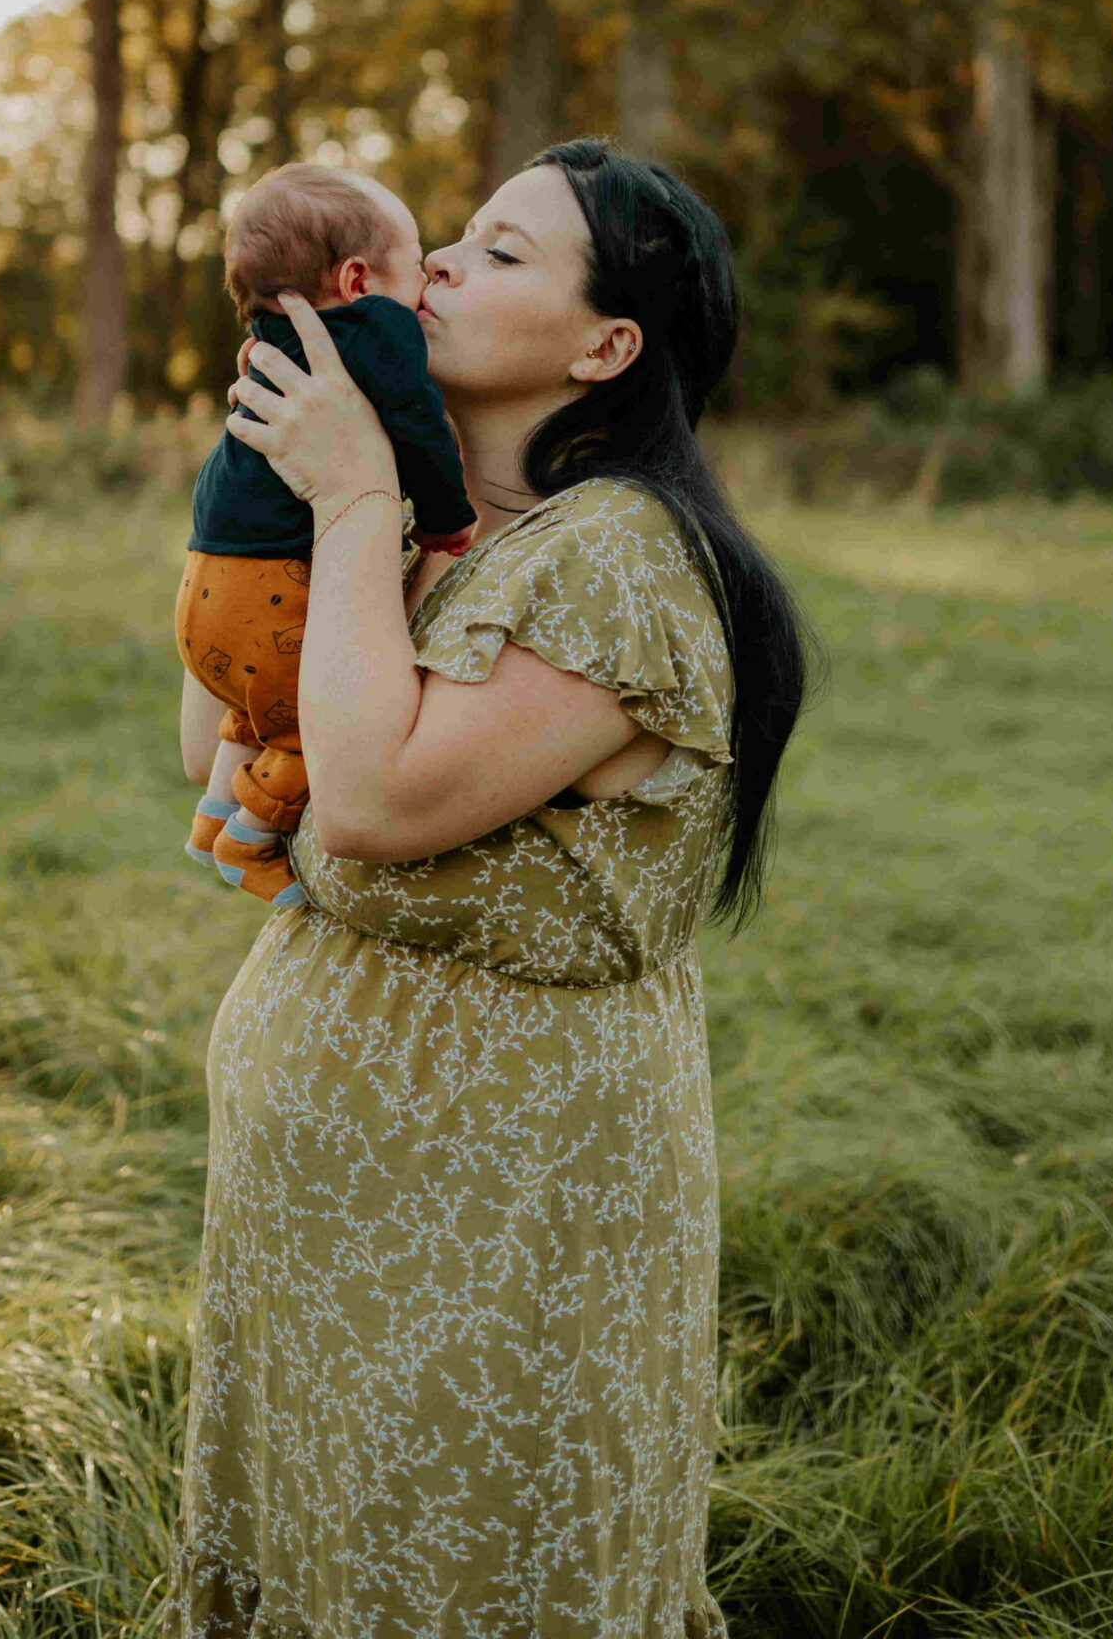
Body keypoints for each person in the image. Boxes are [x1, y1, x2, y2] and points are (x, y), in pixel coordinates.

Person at [164, 138, 811, 1639]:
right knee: (324, 1555)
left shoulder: (623, 561)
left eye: (502, 252)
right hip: (314, 1212)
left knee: (470, 1570)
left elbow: (378, 800)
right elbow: (217, 734)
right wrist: (282, 504)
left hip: (502, 1215)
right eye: (450, 237)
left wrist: (343, 508)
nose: (442, 263)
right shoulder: (433, 528)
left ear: (605, 346)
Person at [176, 163, 475, 907]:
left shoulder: (274, 340)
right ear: (356, 279)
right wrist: (446, 517)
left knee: (248, 709)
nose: (435, 268)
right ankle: (249, 838)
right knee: (305, 727)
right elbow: (417, 427)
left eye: (494, 253)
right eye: (418, 260)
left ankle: (213, 815)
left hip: (205, 582)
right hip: (270, 584)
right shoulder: (377, 328)